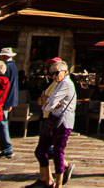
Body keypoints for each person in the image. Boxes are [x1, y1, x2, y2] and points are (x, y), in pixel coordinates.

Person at [31, 58, 77, 188]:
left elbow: (49, 103)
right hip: (52, 121)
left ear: (65, 71)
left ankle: (57, 184)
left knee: (58, 152)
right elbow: (46, 102)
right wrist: (48, 104)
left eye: (57, 72)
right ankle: (46, 179)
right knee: (41, 150)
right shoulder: (58, 84)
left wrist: (48, 104)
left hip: (62, 123)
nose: (54, 76)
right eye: (52, 73)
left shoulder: (66, 84)